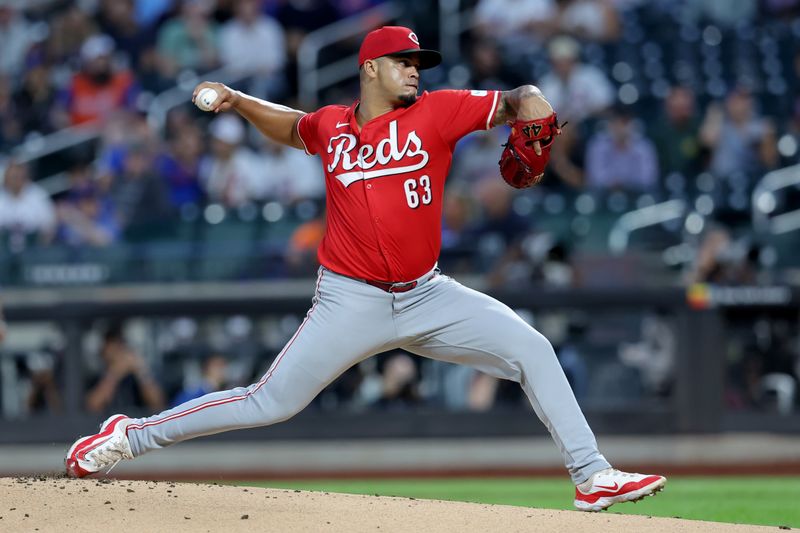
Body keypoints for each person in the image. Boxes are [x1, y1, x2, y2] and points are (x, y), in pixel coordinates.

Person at [66, 25, 665, 512]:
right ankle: (129, 435)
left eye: (418, 62)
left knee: (533, 348)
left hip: (429, 295)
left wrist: (532, 98)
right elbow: (293, 128)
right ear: (371, 68)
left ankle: (592, 475)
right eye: (404, 60)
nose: (415, 69)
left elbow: (516, 102)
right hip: (350, 301)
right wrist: (241, 101)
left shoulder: (439, 111)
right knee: (268, 402)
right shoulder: (333, 125)